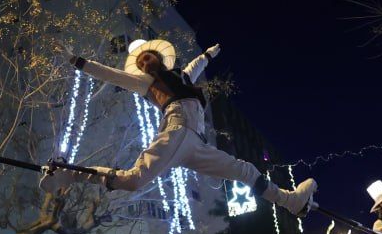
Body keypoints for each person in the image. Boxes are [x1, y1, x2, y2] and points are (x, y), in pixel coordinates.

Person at [41, 40, 317, 215]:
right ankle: (71, 174)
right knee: (134, 181)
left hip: (195, 143)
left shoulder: (182, 77)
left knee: (244, 170)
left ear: (159, 58)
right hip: (176, 130)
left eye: (147, 58)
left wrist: (208, 55)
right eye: (140, 63)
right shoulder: (144, 83)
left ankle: (288, 201)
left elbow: (194, 66)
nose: (144, 63)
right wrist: (75, 60)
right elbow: (110, 74)